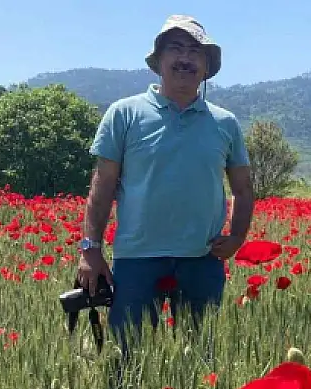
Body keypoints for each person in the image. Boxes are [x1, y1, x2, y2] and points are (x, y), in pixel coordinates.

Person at [77, 15, 254, 359]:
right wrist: (90, 248)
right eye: (175, 48)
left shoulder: (225, 123)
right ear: (158, 60)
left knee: (203, 362)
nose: (185, 58)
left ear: (206, 67)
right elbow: (101, 186)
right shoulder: (123, 114)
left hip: (203, 260)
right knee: (125, 360)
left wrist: (236, 239)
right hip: (137, 261)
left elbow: (244, 188)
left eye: (195, 51)